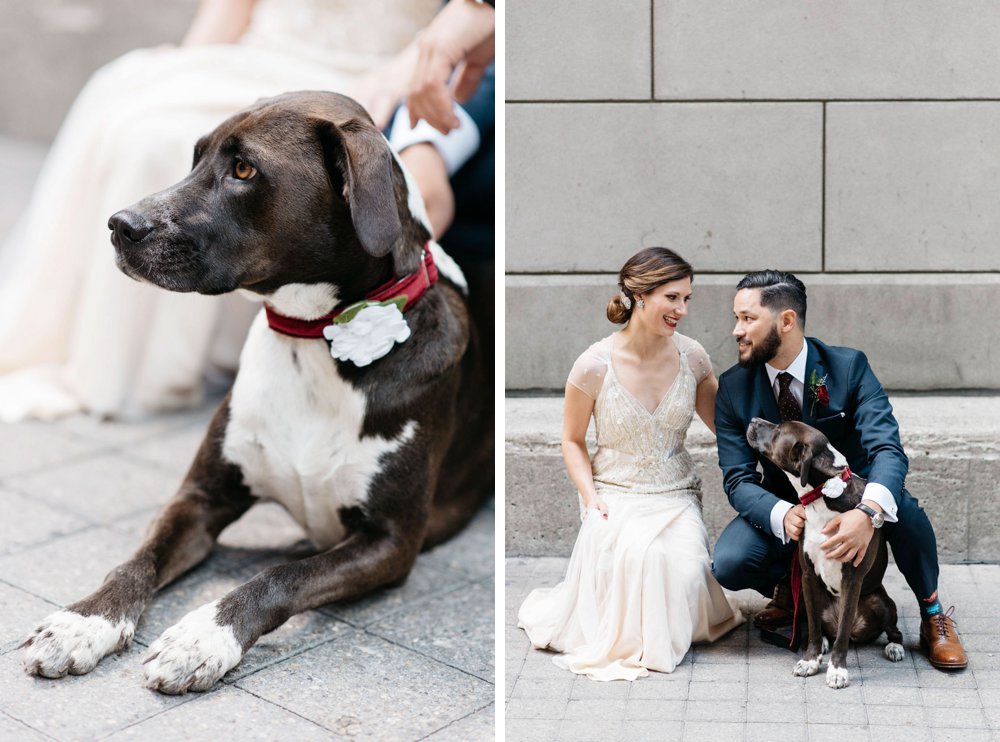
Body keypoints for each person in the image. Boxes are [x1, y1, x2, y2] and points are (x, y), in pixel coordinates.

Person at [0, 0, 487, 422]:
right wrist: (192, 60)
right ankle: (73, 342)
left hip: (367, 78)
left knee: (151, 144)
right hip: (258, 53)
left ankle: (157, 363)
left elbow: (470, 24)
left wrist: (393, 93)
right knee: (120, 89)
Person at [711, 270, 968, 669]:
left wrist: (868, 513)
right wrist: (784, 514)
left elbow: (887, 449)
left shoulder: (848, 367)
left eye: (747, 319)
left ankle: (933, 614)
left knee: (905, 510)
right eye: (736, 318)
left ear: (786, 321)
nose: (736, 331)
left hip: (854, 494)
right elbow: (738, 480)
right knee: (730, 560)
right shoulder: (733, 388)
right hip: (790, 503)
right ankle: (790, 591)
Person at [518, 248, 744, 681]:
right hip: (615, 493)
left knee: (681, 565)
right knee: (643, 557)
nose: (681, 309)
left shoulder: (693, 358)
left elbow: (725, 429)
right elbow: (571, 440)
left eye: (687, 299)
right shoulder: (593, 365)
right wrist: (591, 497)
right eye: (672, 298)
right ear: (640, 296)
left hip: (675, 493)